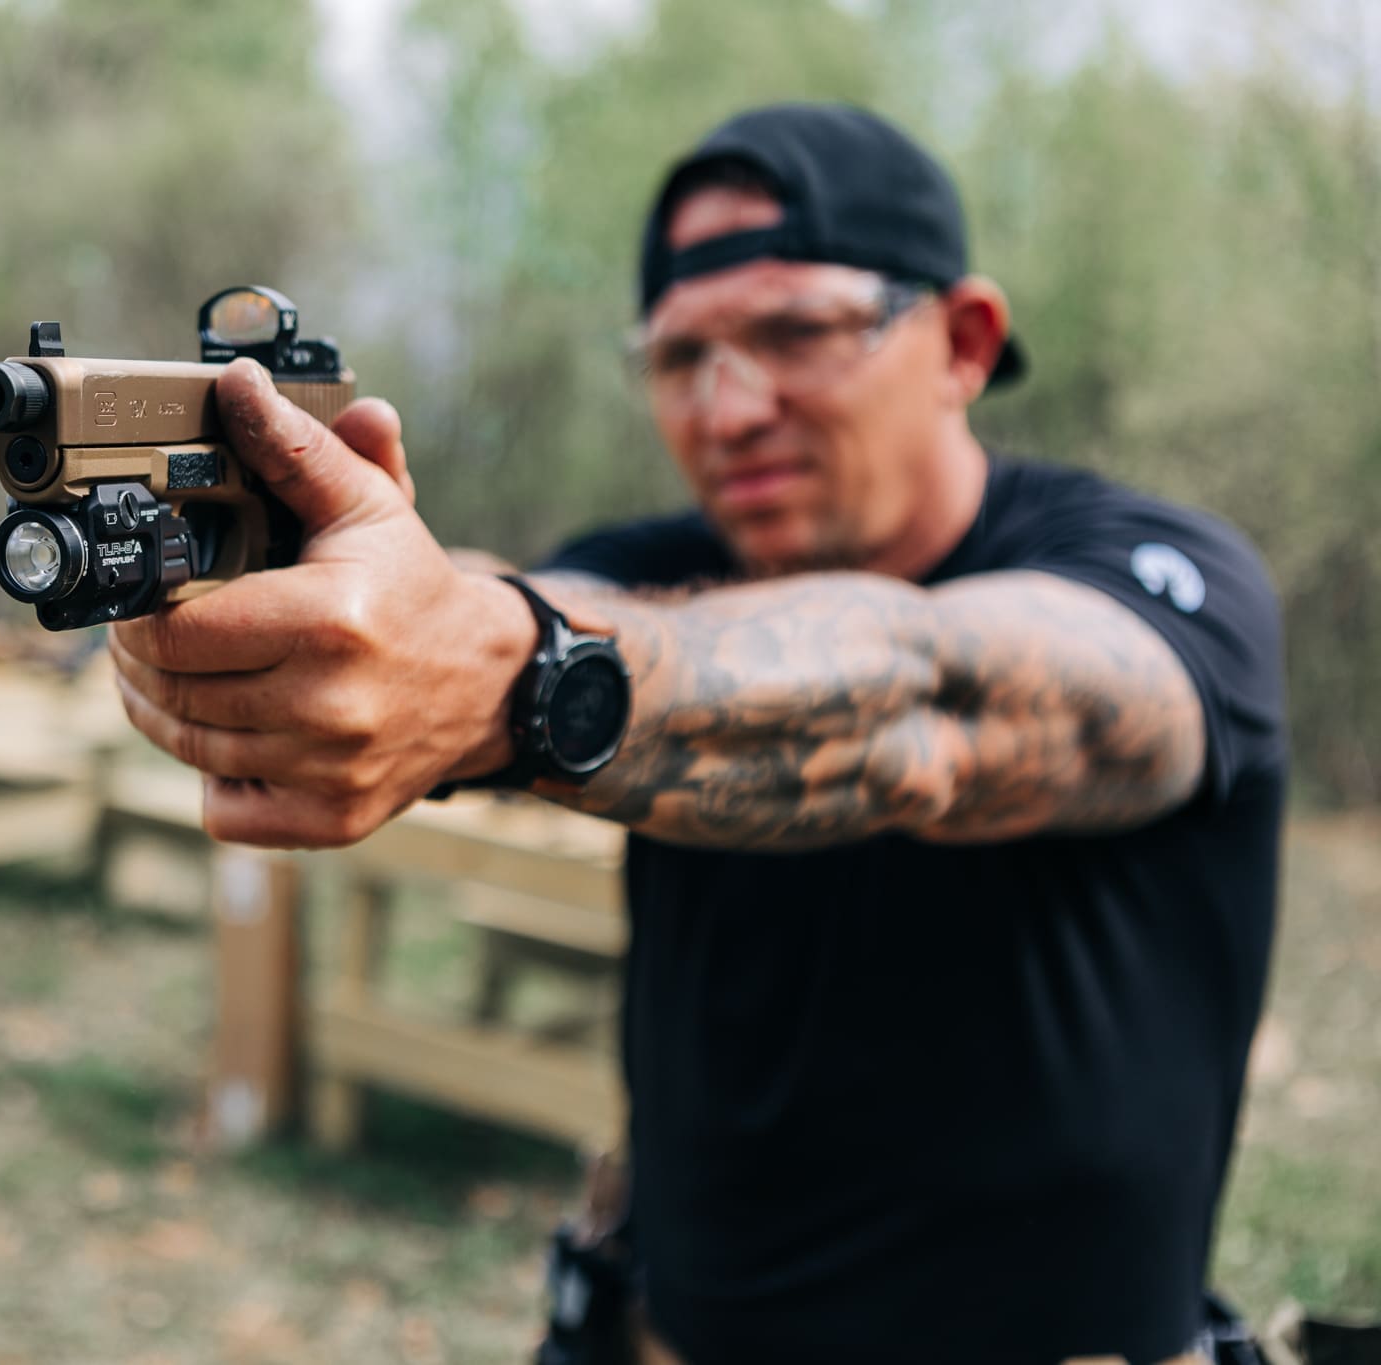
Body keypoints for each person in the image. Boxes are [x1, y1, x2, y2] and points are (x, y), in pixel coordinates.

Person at [109, 103, 1285, 1365]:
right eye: (679, 360)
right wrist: (291, 605)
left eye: (794, 334)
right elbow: (476, 605)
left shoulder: (1157, 571)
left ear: (961, 342)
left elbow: (931, 701)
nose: (727, 411)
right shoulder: (654, 564)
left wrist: (524, 678)